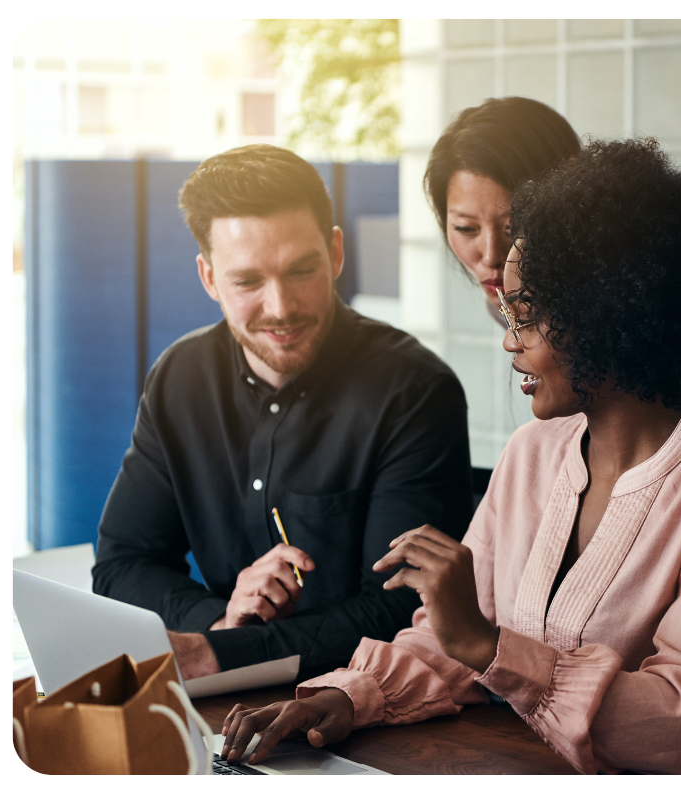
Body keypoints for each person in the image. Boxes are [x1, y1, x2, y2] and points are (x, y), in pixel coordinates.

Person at [218, 139, 681, 775]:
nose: (508, 340)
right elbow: (452, 643)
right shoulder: (532, 454)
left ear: (612, 315)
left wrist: (487, 645)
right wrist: (347, 695)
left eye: (526, 315)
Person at [92, 144, 474, 681]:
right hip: (228, 695)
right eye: (248, 282)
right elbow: (122, 562)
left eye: (300, 270)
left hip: (367, 700)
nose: (280, 307)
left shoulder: (414, 390)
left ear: (335, 253)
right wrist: (218, 620)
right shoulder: (180, 377)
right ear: (209, 279)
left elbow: (401, 610)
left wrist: (224, 652)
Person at [425, 96, 681, 444]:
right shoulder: (504, 296)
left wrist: (641, 450)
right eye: (466, 229)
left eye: (513, 228)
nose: (490, 256)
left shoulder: (673, 290)